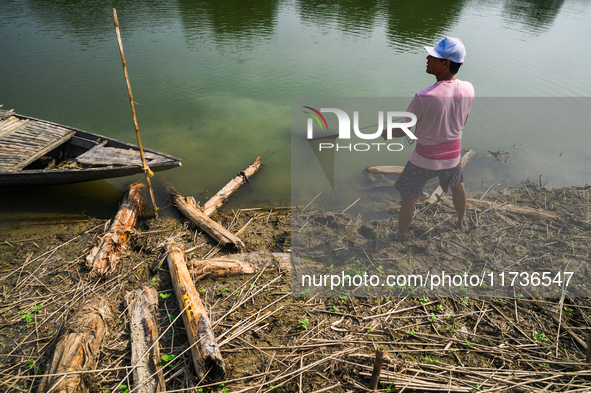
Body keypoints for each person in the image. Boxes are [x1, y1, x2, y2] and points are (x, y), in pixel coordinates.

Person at [382, 37, 475, 242]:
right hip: (452, 157)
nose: (427, 58)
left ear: (445, 63)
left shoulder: (423, 96)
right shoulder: (469, 89)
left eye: (433, 57)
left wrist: (385, 132)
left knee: (410, 197)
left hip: (423, 160)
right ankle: (461, 221)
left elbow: (404, 130)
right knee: (457, 186)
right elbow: (462, 122)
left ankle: (400, 235)